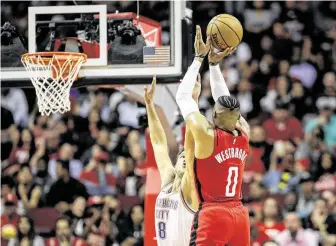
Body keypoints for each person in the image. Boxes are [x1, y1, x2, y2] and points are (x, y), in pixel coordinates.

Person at [175, 25, 250, 245]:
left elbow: (183, 96)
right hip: (239, 214)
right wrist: (214, 65)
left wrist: (199, 58)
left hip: (214, 213)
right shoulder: (244, 132)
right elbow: (225, 100)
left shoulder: (207, 134)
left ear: (215, 114)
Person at [144, 75, 200, 245]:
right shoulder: (168, 180)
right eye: (181, 156)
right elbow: (158, 143)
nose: (183, 158)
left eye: (186, 157)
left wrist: (193, 101)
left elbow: (190, 144)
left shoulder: (190, 187)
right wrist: (149, 105)